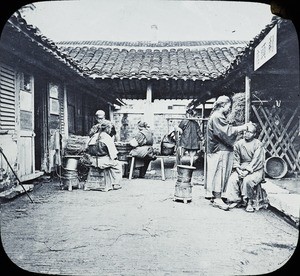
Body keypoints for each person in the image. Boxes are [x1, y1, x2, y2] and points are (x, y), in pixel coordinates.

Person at [205, 95, 248, 211]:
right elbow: (226, 132)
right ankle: (218, 198)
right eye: (229, 106)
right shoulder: (217, 117)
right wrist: (242, 128)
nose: (229, 108)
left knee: (220, 173)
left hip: (219, 150)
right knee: (219, 173)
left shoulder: (217, 116)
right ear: (223, 105)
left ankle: (217, 196)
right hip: (219, 150)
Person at [225, 122, 269, 212]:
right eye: (245, 132)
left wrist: (247, 171)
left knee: (248, 180)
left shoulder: (258, 144)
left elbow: (257, 160)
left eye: (249, 132)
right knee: (232, 179)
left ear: (255, 134)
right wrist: (238, 169)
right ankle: (235, 200)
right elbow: (235, 159)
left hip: (256, 169)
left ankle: (249, 202)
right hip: (242, 168)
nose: (246, 134)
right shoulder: (238, 144)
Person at [85, 120, 122, 191]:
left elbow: (86, 148)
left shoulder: (93, 136)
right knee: (117, 164)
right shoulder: (107, 137)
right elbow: (113, 154)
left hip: (92, 161)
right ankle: (116, 183)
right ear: (108, 128)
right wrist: (114, 158)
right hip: (102, 162)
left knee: (110, 162)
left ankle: (109, 181)